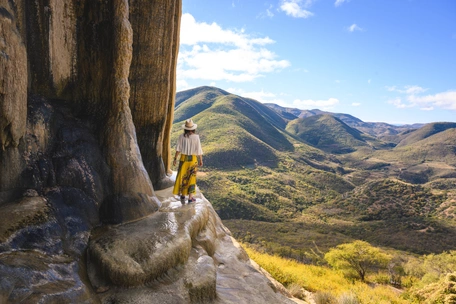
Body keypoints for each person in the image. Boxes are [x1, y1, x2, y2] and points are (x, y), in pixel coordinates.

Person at [172, 118, 203, 204]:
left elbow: (178, 149)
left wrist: (175, 159)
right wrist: (200, 160)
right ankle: (190, 198)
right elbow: (199, 150)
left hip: (183, 159)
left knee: (182, 176)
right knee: (191, 178)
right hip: (193, 159)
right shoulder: (196, 137)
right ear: (193, 128)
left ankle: (182, 195)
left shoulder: (181, 136)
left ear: (185, 128)